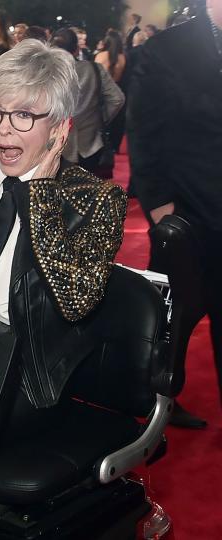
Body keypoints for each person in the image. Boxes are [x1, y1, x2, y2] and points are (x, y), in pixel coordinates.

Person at [0, 39, 126, 412]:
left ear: (60, 127)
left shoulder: (97, 199)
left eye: (25, 115)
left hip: (19, 371)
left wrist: (42, 196)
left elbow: (76, 300)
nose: (4, 130)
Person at [128, 0, 222, 423]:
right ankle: (152, 397)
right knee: (176, 316)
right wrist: (161, 208)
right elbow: (144, 132)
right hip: (189, 213)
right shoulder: (165, 50)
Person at [52, 28, 125, 179]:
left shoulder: (47, 72)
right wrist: (101, 118)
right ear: (76, 49)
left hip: (55, 144)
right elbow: (117, 98)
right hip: (91, 142)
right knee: (87, 192)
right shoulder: (93, 69)